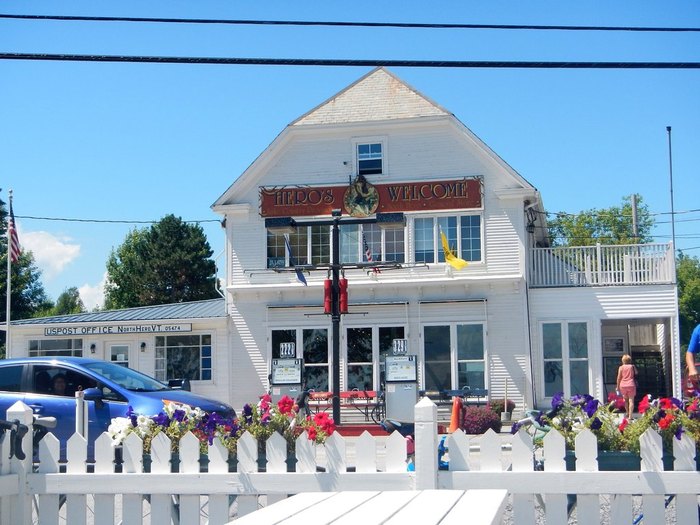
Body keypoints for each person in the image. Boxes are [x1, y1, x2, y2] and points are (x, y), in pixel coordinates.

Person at [616, 355, 637, 420]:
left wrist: (617, 386)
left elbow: (619, 377)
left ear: (623, 360)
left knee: (625, 400)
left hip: (623, 385)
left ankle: (627, 412)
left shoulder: (621, 367)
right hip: (631, 384)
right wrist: (634, 367)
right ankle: (630, 416)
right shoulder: (632, 366)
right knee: (631, 401)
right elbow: (636, 373)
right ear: (630, 360)